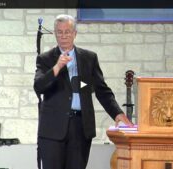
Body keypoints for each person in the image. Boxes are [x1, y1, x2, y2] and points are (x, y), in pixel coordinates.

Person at [34, 14, 133, 169]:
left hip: (80, 128)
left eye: (67, 32)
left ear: (75, 34)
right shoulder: (45, 59)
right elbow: (38, 87)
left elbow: (101, 90)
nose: (64, 36)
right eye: (60, 32)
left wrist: (117, 113)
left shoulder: (89, 58)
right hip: (53, 130)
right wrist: (57, 67)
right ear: (54, 34)